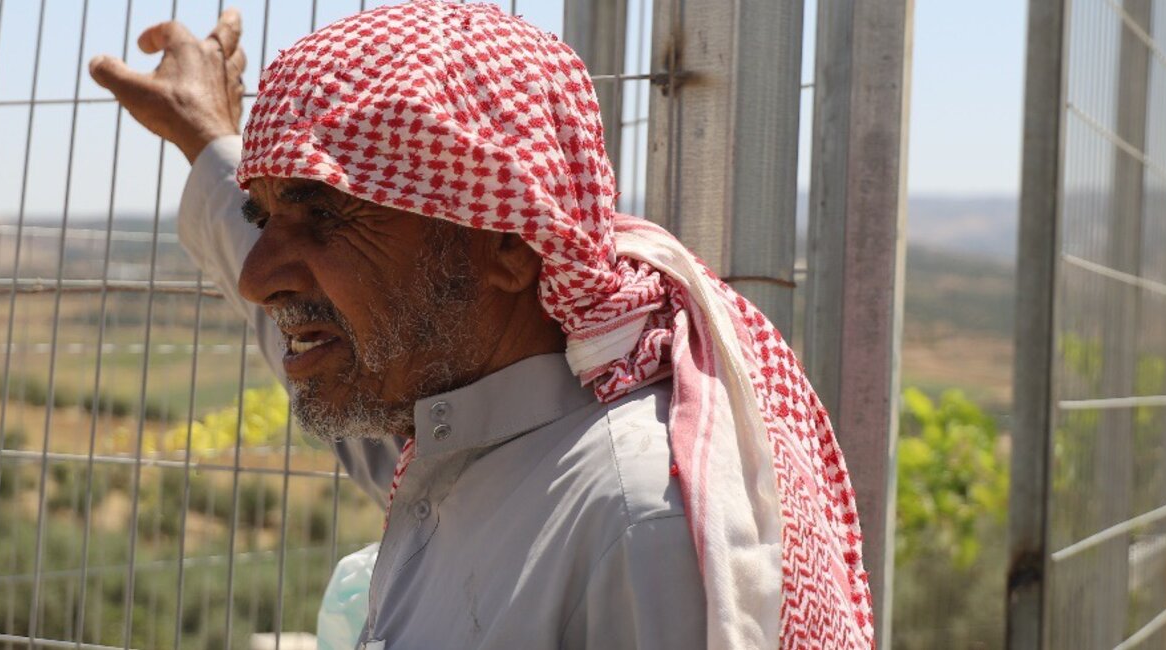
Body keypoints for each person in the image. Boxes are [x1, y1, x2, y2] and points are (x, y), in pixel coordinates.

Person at [88, 2, 872, 648]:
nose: (258, 278)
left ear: (504, 240)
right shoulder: (457, 434)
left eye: (323, 216)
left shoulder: (635, 528)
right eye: (263, 218)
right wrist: (207, 140)